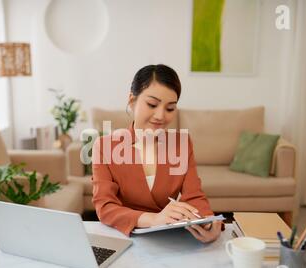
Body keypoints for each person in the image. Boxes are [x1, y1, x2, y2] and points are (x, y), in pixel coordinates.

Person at [91, 64, 223, 243]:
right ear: (132, 101)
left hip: (169, 241)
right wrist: (153, 219)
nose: (161, 116)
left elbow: (194, 197)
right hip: (125, 237)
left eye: (170, 108)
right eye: (152, 104)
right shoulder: (105, 146)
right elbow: (105, 206)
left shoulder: (181, 144)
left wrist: (208, 223)